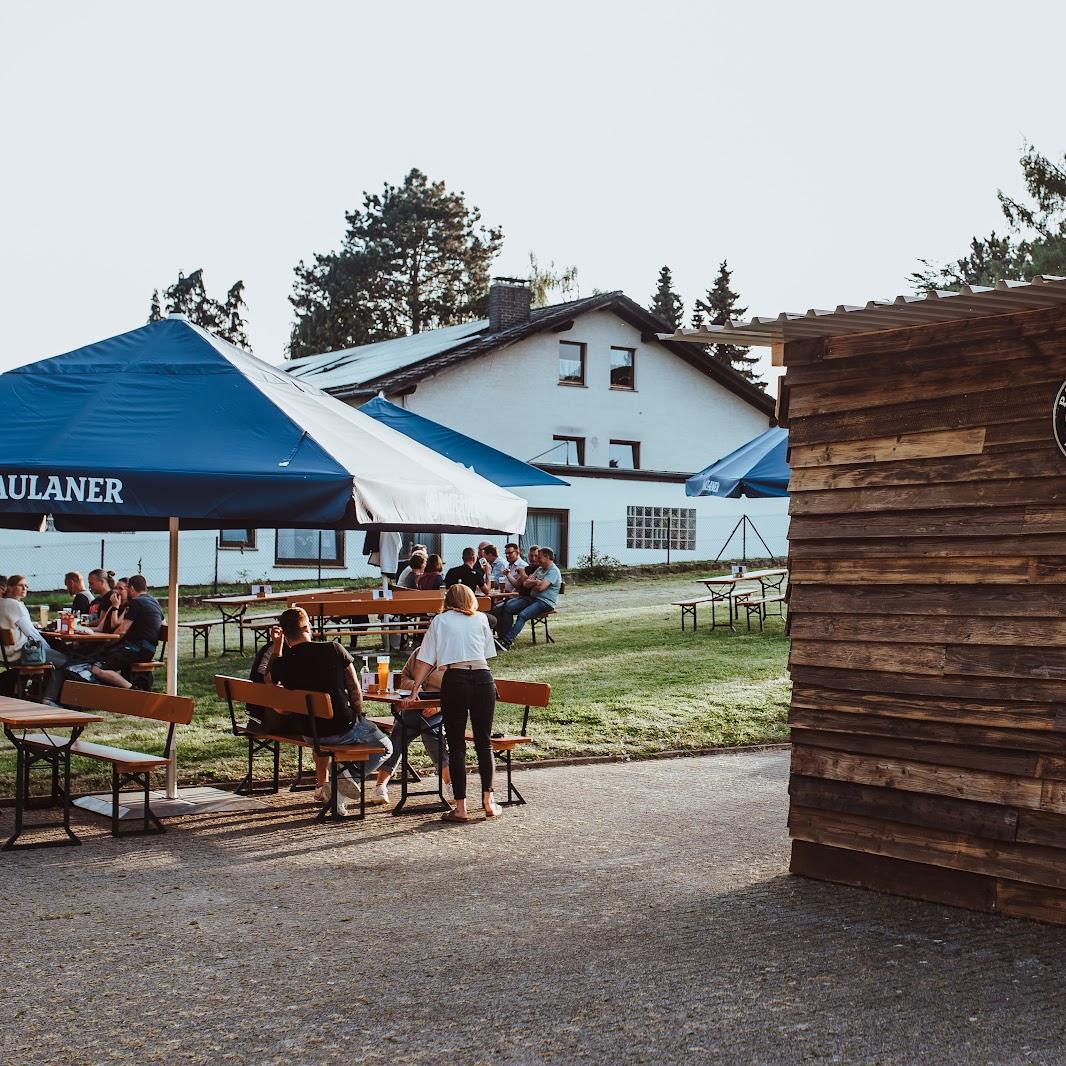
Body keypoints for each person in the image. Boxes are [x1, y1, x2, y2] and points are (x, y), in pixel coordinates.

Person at [267, 607, 392, 810]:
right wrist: (359, 716)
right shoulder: (334, 649)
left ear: (285, 633)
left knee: (358, 739)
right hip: (342, 727)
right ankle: (343, 780)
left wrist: (277, 647)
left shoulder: (283, 662)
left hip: (310, 732)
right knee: (387, 746)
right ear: (307, 627)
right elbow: (355, 690)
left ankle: (337, 792)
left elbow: (268, 679)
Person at [401, 584, 500, 822]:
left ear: (448, 600)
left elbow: (426, 658)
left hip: (455, 679)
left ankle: (461, 807)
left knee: (456, 746)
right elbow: (486, 653)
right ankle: (488, 801)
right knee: (484, 743)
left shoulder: (440, 621)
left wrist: (415, 689)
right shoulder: (481, 619)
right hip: (483, 678)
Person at [370, 649, 451, 805]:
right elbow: (403, 677)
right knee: (399, 731)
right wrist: (416, 688)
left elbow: (458, 690)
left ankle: (451, 785)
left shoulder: (453, 656)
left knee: (431, 735)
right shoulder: (420, 652)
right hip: (414, 706)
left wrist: (439, 707)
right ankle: (380, 786)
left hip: (440, 709)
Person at [0, 574, 68, 703]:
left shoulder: (2, 603)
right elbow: (31, 633)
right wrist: (46, 648)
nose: (25, 588)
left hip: (4, 654)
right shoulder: (15, 605)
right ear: (10, 587)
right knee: (63, 661)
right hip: (21, 654)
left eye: (26, 585)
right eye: (21, 585)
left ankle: (34, 692)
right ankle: (48, 699)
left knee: (53, 655)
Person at [91, 575, 163, 689]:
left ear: (132, 588)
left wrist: (107, 644)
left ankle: (132, 689)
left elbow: (122, 630)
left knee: (97, 668)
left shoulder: (136, 602)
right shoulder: (154, 602)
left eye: (127, 588)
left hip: (137, 649)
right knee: (106, 655)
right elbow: (162, 622)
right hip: (150, 650)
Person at [495, 546, 562, 649]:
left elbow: (541, 587)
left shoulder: (553, 571)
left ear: (547, 557)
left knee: (522, 615)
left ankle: (507, 642)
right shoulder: (540, 569)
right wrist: (536, 582)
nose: (537, 560)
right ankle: (504, 636)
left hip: (545, 602)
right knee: (508, 607)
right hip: (532, 598)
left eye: (539, 557)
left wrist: (534, 583)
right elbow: (526, 583)